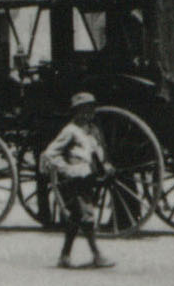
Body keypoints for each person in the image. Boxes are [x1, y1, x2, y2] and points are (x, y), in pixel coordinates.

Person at [42, 92, 113, 269]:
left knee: (75, 219)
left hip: (88, 178)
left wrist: (105, 164)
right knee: (87, 217)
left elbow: (99, 151)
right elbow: (50, 154)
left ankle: (64, 257)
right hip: (74, 180)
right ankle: (97, 256)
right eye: (85, 109)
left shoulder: (93, 130)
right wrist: (67, 169)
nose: (90, 112)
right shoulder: (70, 131)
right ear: (77, 111)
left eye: (91, 108)